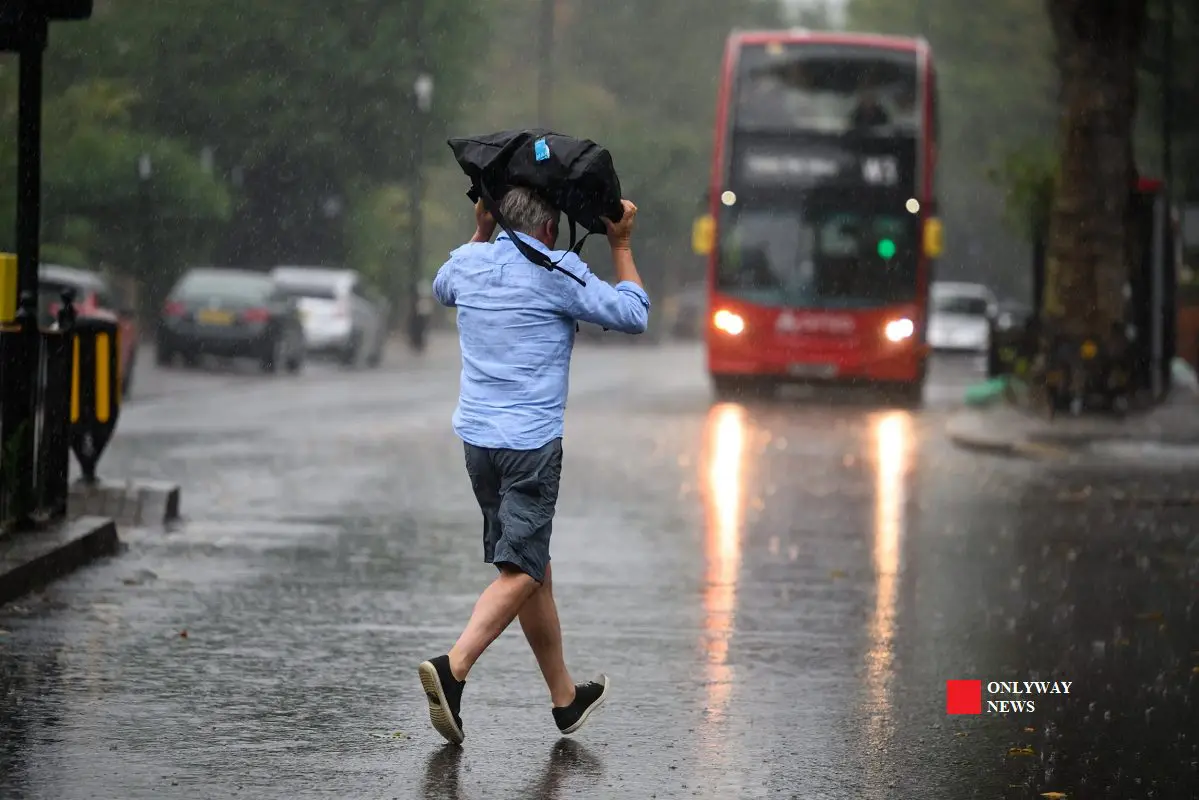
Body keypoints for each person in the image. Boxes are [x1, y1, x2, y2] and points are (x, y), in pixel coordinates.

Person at [420, 186, 650, 746]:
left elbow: (440, 287)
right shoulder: (558, 269)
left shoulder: (469, 262)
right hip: (529, 445)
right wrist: (620, 244)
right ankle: (454, 669)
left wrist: (481, 230)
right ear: (550, 227)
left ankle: (565, 699)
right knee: (522, 567)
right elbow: (633, 313)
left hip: (479, 444)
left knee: (533, 568)